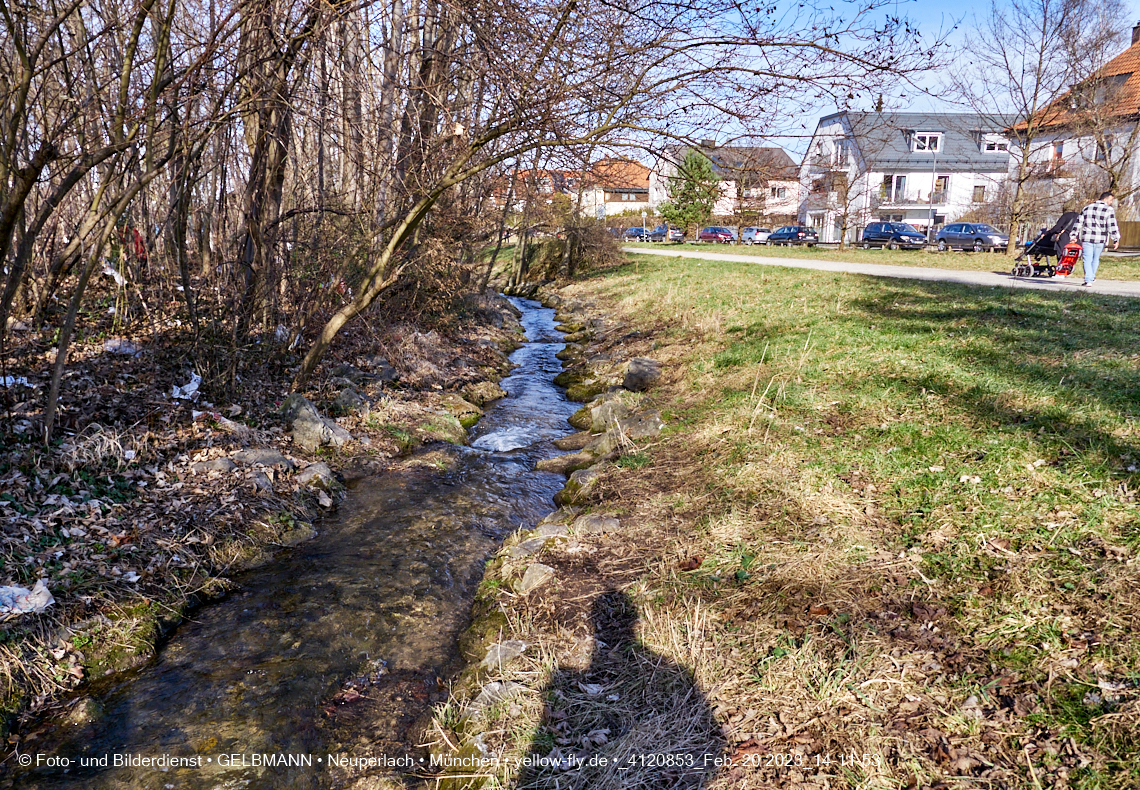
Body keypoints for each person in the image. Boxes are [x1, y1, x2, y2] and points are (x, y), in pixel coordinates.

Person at [1072, 191, 1121, 286]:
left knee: (1087, 258)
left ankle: (1088, 279)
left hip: (1087, 237)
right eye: (1110, 200)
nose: (1111, 202)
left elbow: (1078, 223)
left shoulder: (1086, 208)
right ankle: (1091, 277)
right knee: (1095, 258)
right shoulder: (1108, 210)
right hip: (1100, 238)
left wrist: (1074, 236)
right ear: (1105, 199)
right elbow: (1112, 225)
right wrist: (1116, 239)